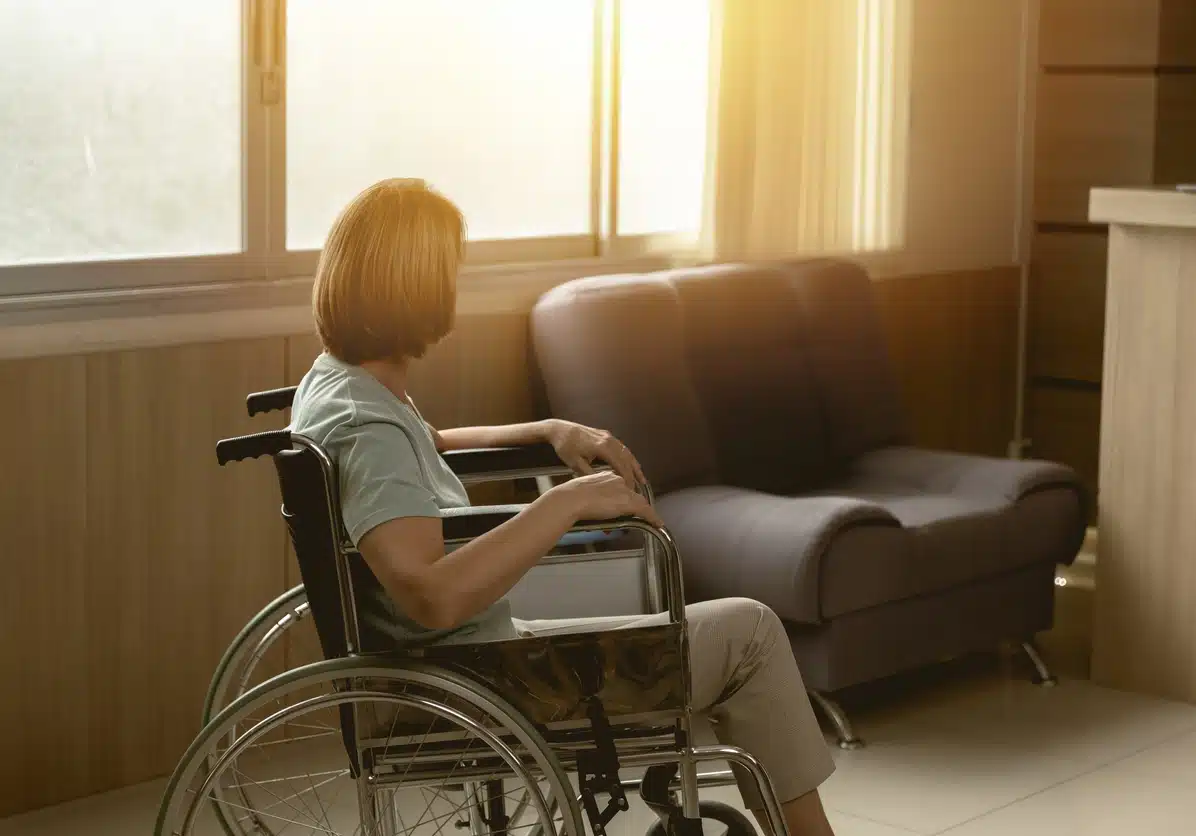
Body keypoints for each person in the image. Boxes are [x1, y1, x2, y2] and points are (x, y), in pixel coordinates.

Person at [289, 178, 838, 836]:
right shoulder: (367, 428)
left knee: (683, 618)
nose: (455, 287)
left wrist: (549, 429)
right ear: (415, 287)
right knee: (750, 632)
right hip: (482, 683)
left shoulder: (342, 386)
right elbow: (431, 597)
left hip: (467, 663)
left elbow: (428, 446)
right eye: (450, 271)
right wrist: (569, 501)